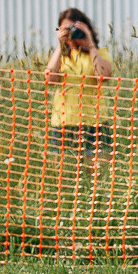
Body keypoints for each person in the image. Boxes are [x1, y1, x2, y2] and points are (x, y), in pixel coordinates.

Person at [45, 8, 115, 163]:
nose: (72, 34)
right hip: (64, 123)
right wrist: (60, 45)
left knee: (97, 170)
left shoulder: (100, 53)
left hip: (95, 123)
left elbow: (103, 76)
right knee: (63, 171)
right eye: (67, 29)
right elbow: (50, 79)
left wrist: (89, 43)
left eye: (75, 29)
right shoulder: (61, 57)